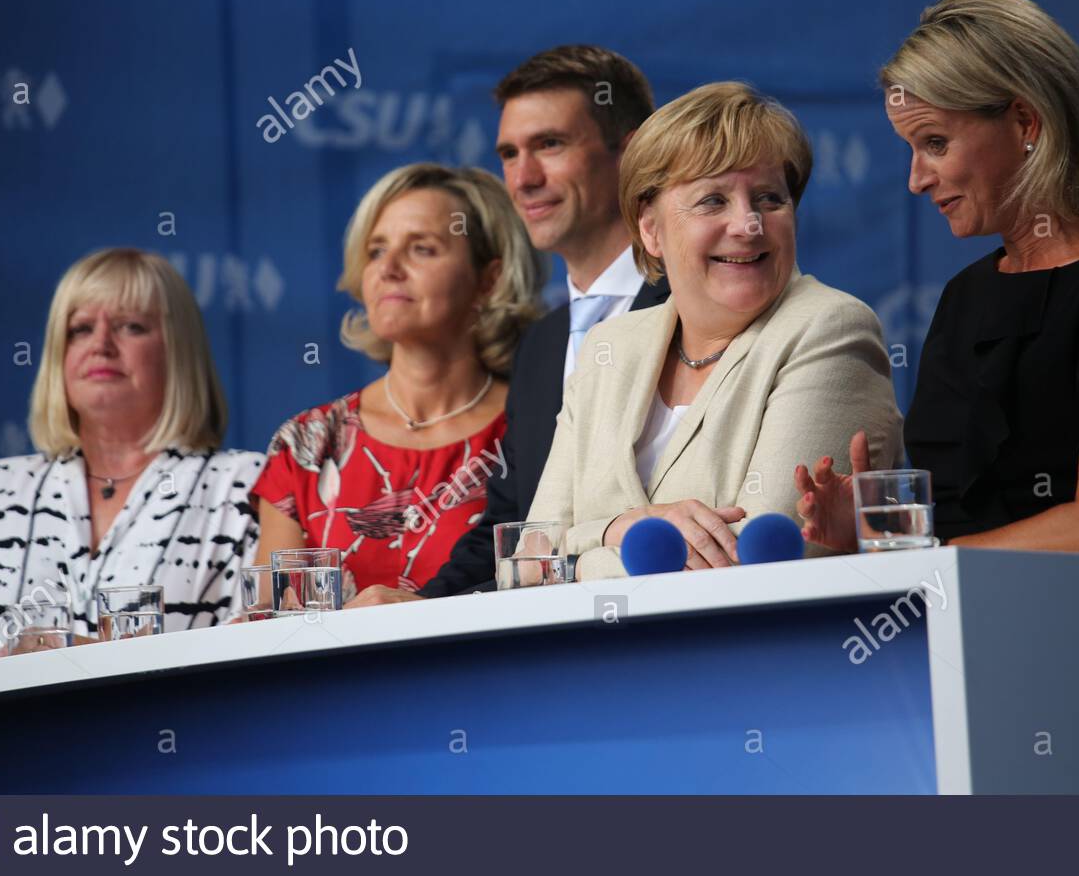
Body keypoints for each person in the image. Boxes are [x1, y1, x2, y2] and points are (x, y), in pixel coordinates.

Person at [795, 0, 1079, 554]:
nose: (917, 179)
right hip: (940, 627)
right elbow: (956, 521)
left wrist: (927, 564)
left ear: (1026, 122)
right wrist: (866, 535)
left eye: (935, 143)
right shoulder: (966, 295)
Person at [525, 82, 903, 576]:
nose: (748, 224)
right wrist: (621, 527)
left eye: (769, 198)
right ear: (650, 228)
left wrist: (581, 549)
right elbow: (529, 557)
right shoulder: (610, 346)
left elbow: (760, 558)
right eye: (712, 201)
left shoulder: (831, 328)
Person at [349, 44, 665, 605]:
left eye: (550, 144)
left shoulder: (695, 306)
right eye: (509, 153)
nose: (523, 178)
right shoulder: (543, 344)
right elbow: (514, 524)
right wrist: (419, 605)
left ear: (631, 149)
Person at [0, 248, 263, 673]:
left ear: (179, 352)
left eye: (131, 326)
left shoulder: (242, 485)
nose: (101, 345)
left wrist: (86, 660)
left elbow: (258, 646)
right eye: (80, 329)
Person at [250, 164, 545, 595]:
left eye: (421, 249)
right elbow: (272, 625)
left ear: (489, 279)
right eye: (375, 251)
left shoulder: (536, 432)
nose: (388, 268)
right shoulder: (307, 443)